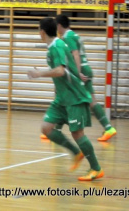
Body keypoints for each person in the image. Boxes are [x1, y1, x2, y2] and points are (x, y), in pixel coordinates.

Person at [27, 17, 104, 181]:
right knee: (46, 128)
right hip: (62, 98)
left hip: (74, 97)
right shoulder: (53, 47)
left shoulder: (57, 46)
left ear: (41, 32)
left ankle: (96, 168)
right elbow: (63, 72)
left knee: (77, 133)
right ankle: (76, 153)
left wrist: (39, 73)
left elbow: (61, 71)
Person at [40, 15, 116, 142]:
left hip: (80, 70)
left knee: (70, 97)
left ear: (58, 26)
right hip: (86, 68)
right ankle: (108, 128)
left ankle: (108, 128)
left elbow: (75, 54)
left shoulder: (67, 37)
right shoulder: (74, 35)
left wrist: (77, 73)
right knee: (82, 99)